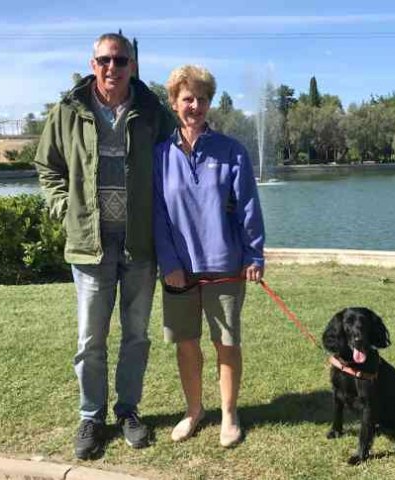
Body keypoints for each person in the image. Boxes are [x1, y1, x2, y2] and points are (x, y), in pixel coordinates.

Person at [34, 32, 175, 460]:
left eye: (120, 59)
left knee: (136, 336)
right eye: (104, 60)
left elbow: (175, 164)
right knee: (90, 340)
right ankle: (91, 417)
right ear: (91, 64)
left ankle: (128, 411)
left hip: (139, 246)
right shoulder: (68, 112)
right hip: (89, 245)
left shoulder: (153, 112)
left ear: (132, 64)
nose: (111, 67)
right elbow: (47, 166)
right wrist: (64, 208)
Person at [153, 65, 265, 448]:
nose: (196, 105)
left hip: (226, 267)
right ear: (174, 103)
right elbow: (157, 214)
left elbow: (249, 207)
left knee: (226, 343)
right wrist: (168, 264)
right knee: (186, 342)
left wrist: (254, 255)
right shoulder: (160, 155)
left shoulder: (232, 151)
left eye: (202, 98)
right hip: (178, 271)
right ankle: (194, 410)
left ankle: (229, 415)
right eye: (188, 98)